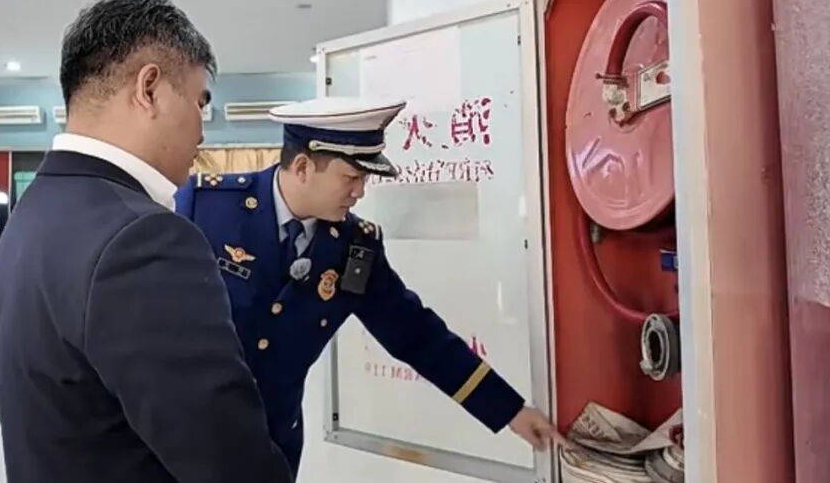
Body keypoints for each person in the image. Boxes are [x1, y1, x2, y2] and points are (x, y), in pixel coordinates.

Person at [0, 0, 292, 483]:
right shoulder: (144, 238)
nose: (202, 132)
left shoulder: (34, 211)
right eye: (199, 103)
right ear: (149, 89)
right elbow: (229, 462)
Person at [174, 96, 565, 475]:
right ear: (304, 167)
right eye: (351, 177)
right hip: (182, 444)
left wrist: (508, 409)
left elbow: (418, 336)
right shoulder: (204, 207)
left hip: (270, 450)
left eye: (364, 179)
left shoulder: (354, 247)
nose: (360, 191)